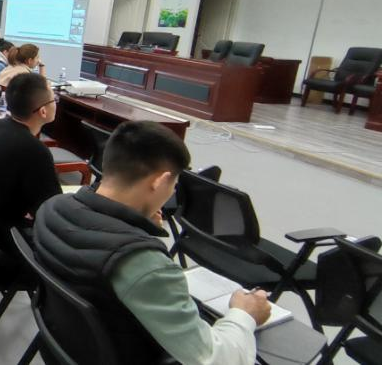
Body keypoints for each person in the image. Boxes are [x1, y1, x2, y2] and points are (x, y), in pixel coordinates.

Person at [34, 121, 270, 364]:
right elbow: (217, 359)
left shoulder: (52, 208)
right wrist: (245, 314)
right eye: (173, 185)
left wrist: (135, 230)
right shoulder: (142, 263)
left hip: (65, 350)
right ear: (160, 181)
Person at [0, 72, 62, 243]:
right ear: (43, 111)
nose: (56, 103)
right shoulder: (34, 150)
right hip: (5, 239)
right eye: (55, 99)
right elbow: (50, 211)